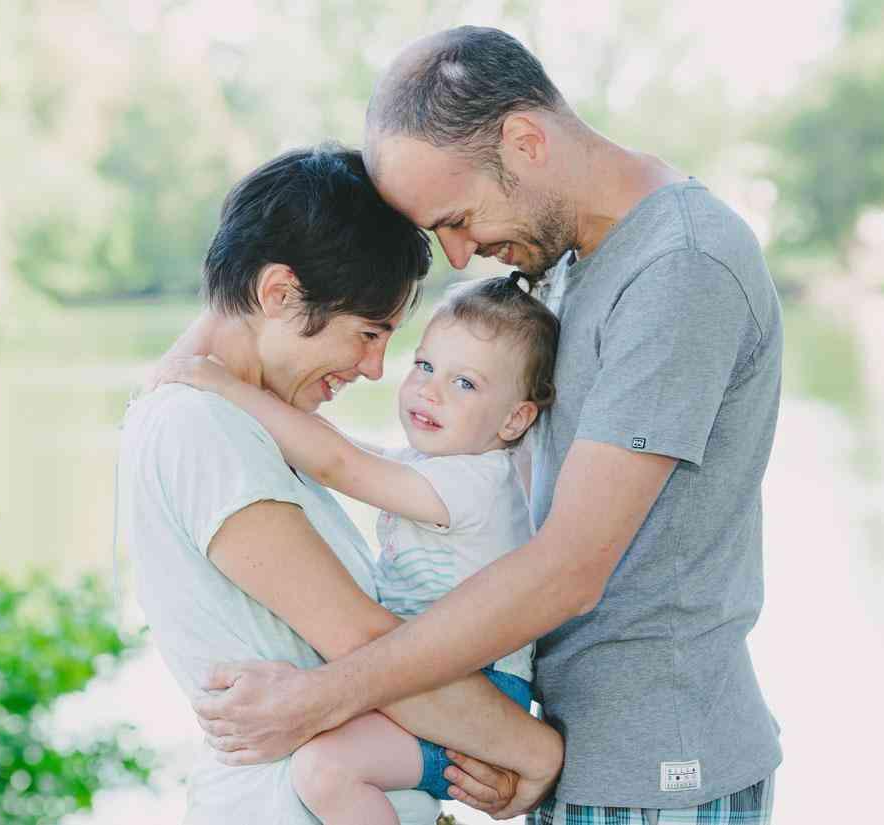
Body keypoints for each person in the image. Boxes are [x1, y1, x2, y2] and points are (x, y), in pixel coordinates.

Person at [192, 26, 784, 824]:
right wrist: (511, 740)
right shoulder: (568, 268)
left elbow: (569, 567)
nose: (462, 253)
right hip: (580, 756)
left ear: (525, 140)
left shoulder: (681, 268)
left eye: (459, 216)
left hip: (661, 771)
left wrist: (323, 697)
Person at [119, 144, 563, 825]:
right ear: (278, 294)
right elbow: (362, 642)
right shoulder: (200, 427)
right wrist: (532, 749)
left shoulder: (247, 418)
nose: (377, 368)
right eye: (367, 333)